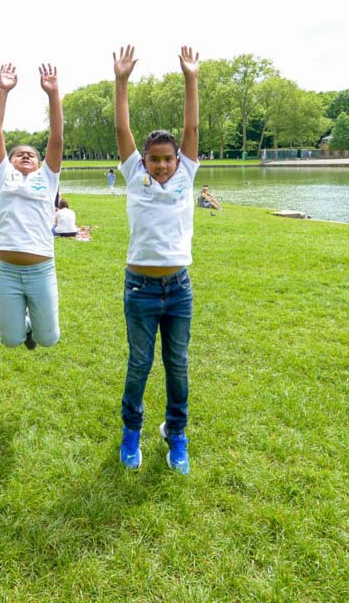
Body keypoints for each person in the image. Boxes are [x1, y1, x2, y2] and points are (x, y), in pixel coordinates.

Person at [113, 44, 201, 475]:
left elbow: (192, 125)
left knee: (177, 365)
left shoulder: (186, 175)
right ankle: (132, 430)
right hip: (140, 289)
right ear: (143, 161)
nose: (163, 165)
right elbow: (122, 127)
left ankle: (176, 432)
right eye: (155, 159)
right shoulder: (134, 176)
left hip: (178, 288)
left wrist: (191, 78)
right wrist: (121, 81)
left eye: (168, 158)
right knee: (139, 363)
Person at [0, 62, 64, 351]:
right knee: (10, 340)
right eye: (19, 154)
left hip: (41, 269)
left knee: (49, 339)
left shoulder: (47, 177)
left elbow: (56, 138)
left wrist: (53, 95)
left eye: (31, 154)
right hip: (7, 270)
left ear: (39, 161)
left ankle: (35, 323)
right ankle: (24, 325)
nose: (25, 156)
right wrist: (3, 90)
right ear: (10, 161)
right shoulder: (2, 175)